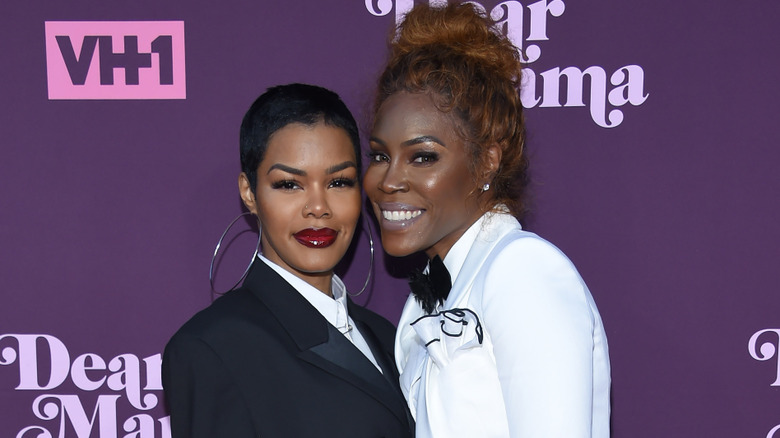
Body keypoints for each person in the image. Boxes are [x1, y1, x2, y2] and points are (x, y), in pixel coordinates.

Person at [363, 4, 610, 438]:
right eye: (380, 156)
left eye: (423, 157)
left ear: (487, 162)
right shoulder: (423, 301)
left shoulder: (523, 270)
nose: (389, 180)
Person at [163, 84, 413, 438]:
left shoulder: (388, 336)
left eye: (339, 182)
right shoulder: (212, 348)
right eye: (289, 185)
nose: (318, 207)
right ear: (249, 193)